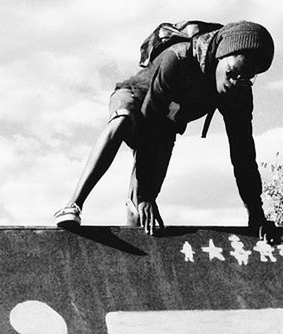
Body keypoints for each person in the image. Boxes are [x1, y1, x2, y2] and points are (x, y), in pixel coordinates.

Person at [54, 21, 277, 242]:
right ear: (219, 57)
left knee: (141, 211)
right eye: (232, 73)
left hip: (164, 126)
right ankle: (73, 205)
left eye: (247, 79)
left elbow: (243, 154)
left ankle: (136, 258)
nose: (236, 83)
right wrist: (146, 194)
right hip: (136, 99)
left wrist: (256, 215)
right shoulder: (179, 58)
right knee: (123, 120)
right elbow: (150, 119)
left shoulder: (239, 94)